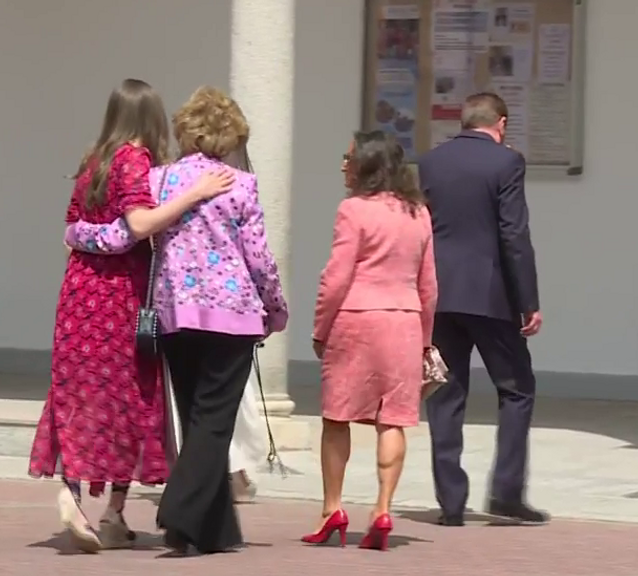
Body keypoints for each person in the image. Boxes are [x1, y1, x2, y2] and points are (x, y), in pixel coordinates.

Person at [68, 86, 287, 554]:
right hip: (232, 317)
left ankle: (210, 531)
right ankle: (180, 509)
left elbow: (132, 232)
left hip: (174, 313)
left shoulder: (162, 178)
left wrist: (77, 233)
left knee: (194, 419)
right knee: (214, 424)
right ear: (229, 137)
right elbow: (259, 258)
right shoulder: (240, 184)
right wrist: (276, 307)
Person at [28, 79, 234, 553]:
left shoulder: (92, 162)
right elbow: (139, 224)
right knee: (132, 398)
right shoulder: (134, 160)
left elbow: (70, 231)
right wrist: (193, 194)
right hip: (122, 296)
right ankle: (113, 510)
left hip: (79, 294)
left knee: (79, 394)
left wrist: (91, 237)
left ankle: (75, 493)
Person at [418, 92, 548, 526]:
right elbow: (514, 234)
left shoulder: (431, 161)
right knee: (516, 389)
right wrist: (528, 302)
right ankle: (506, 493)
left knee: (445, 393)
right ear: (502, 123)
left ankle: (451, 503)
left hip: (440, 294)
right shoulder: (507, 163)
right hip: (490, 296)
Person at [303, 131, 437, 552]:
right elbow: (429, 284)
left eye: (349, 158)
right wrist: (425, 340)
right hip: (404, 323)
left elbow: (337, 277)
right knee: (393, 419)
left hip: (356, 321)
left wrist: (320, 329)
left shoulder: (352, 210)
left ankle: (332, 509)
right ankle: (382, 508)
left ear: (369, 164)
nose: (344, 165)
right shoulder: (419, 213)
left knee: (336, 417)